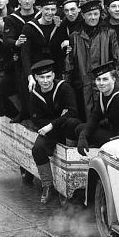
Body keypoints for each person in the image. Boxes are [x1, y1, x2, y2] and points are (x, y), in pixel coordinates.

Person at [28, 60, 82, 204]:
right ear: (36, 78)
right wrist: (56, 121)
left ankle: (71, 165)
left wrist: (52, 124)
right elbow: (36, 119)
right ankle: (47, 185)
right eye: (41, 77)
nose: (45, 81)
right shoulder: (34, 93)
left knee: (72, 123)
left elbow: (72, 112)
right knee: (37, 149)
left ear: (53, 76)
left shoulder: (63, 87)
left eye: (48, 76)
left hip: (61, 128)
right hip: (49, 130)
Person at [65, 0, 119, 121]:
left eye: (96, 14)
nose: (93, 17)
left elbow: (118, 61)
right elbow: (69, 65)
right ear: (83, 16)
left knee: (106, 118)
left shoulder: (109, 33)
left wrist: (118, 84)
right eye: (89, 14)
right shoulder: (75, 36)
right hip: (83, 86)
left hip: (105, 85)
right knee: (86, 120)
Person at [77, 61, 119, 156]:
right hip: (113, 130)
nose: (101, 83)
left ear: (113, 79)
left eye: (105, 79)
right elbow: (94, 118)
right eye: (98, 79)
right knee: (81, 129)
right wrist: (83, 137)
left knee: (88, 132)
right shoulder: (103, 94)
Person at [1, 0, 38, 122]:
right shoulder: (12, 19)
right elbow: (6, 39)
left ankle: (38, 114)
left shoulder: (40, 15)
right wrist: (15, 43)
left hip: (38, 56)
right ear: (19, 0)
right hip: (20, 58)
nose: (27, 1)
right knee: (22, 85)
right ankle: (24, 112)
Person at [21, 0, 65, 77]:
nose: (50, 12)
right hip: (35, 69)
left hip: (54, 69)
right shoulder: (29, 27)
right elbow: (25, 54)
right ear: (41, 9)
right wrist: (29, 75)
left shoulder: (59, 26)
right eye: (47, 9)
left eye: (53, 9)